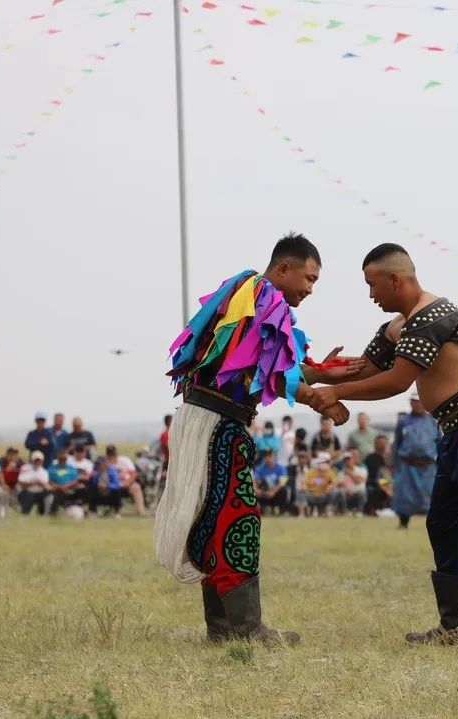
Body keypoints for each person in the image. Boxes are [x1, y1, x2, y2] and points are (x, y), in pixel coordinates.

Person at [310, 243, 458, 652]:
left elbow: (395, 381)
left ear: (396, 280)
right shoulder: (400, 326)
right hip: (454, 430)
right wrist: (307, 370)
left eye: (373, 285)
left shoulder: (434, 316)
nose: (371, 295)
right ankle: (454, 626)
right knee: (444, 523)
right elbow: (365, 367)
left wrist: (334, 392)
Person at [153, 234, 354, 646]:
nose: (310, 289)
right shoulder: (265, 298)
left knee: (213, 522)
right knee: (236, 519)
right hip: (219, 427)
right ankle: (246, 628)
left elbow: (277, 366)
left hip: (204, 420)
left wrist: (324, 373)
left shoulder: (246, 293)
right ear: (284, 268)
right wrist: (319, 400)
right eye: (309, 278)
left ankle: (223, 628)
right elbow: (277, 374)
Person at [389, 394, 440, 529]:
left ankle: (434, 525)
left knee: (431, 496)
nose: (417, 404)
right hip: (407, 465)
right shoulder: (404, 421)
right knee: (405, 496)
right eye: (414, 402)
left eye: (419, 402)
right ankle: (403, 523)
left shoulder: (434, 421)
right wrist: (393, 464)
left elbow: (440, 443)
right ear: (410, 403)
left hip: (428, 466)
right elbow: (397, 444)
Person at [106, 445, 146, 516]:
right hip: (113, 486)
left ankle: (141, 511)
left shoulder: (125, 460)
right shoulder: (105, 463)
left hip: (127, 484)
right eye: (110, 454)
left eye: (113, 454)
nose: (112, 456)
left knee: (136, 487)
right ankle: (114, 511)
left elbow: (134, 473)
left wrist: (128, 482)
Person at [48, 448, 84, 515]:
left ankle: (82, 510)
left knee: (82, 489)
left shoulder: (71, 468)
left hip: (70, 488)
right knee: (53, 494)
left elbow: (75, 480)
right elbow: (50, 481)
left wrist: (66, 486)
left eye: (64, 459)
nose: (62, 460)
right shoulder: (52, 468)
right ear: (58, 458)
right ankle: (54, 512)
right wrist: (61, 487)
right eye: (61, 459)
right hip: (57, 489)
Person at [364, 434, 392, 515]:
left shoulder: (390, 458)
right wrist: (386, 485)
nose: (382, 445)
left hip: (390, 482)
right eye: (380, 443)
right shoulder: (371, 458)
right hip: (375, 483)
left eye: (384, 443)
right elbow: (376, 476)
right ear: (375, 444)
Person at [253, 450, 289, 514]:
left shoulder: (280, 467)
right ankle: (262, 508)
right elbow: (254, 480)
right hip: (264, 491)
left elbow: (283, 481)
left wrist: (273, 491)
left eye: (270, 456)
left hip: (276, 491)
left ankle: (281, 509)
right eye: (266, 456)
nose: (268, 458)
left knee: (284, 489)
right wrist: (256, 489)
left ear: (274, 457)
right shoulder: (260, 468)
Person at [336, 449, 368, 515]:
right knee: (340, 492)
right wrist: (345, 490)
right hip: (347, 496)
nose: (347, 462)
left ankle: (360, 512)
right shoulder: (341, 473)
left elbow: (358, 481)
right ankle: (345, 511)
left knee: (362, 492)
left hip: (358, 495)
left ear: (353, 460)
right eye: (345, 460)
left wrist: (349, 473)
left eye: (349, 459)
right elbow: (339, 484)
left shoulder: (362, 470)